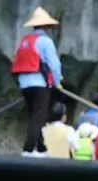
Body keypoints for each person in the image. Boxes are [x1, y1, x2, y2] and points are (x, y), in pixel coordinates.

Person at [11, 7, 63, 157]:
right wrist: (57, 81)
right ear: (45, 26)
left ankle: (41, 148)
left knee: (34, 115)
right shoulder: (45, 41)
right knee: (39, 115)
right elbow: (54, 64)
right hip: (39, 83)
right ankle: (28, 149)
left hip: (24, 83)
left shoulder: (25, 40)